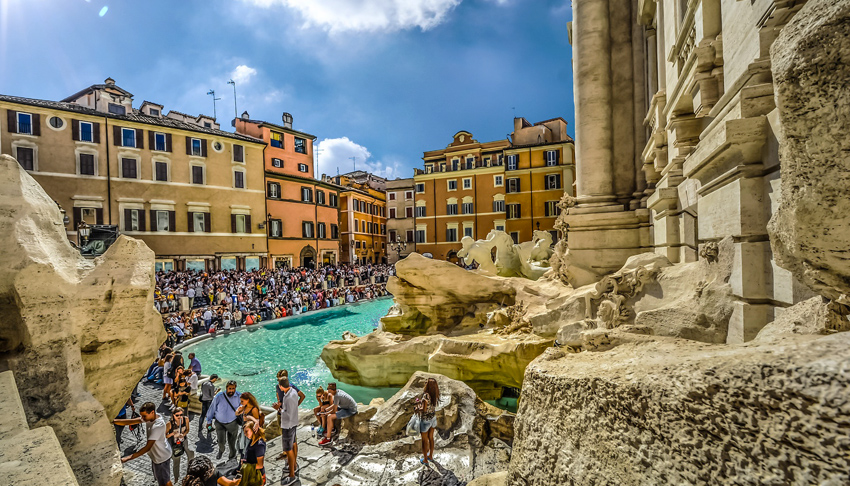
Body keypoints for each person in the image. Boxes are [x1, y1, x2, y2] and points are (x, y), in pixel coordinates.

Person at [114, 401, 173, 486]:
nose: (142, 418)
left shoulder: (158, 426)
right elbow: (131, 422)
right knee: (163, 479)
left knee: (164, 482)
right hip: (157, 456)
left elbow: (147, 447)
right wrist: (114, 421)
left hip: (161, 458)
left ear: (152, 412)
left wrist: (127, 458)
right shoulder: (151, 417)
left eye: (144, 416)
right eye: (141, 415)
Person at [273, 374, 299, 484]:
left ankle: (292, 475)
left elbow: (287, 414)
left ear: (281, 386)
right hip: (294, 423)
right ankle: (294, 466)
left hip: (287, 425)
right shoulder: (293, 391)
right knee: (293, 444)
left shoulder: (287, 398)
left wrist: (278, 408)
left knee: (288, 450)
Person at [206, 380, 242, 460]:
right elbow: (212, 409)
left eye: (233, 389)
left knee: (232, 443)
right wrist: (209, 422)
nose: (231, 390)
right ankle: (221, 450)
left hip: (233, 423)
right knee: (221, 441)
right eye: (230, 388)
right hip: (220, 423)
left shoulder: (239, 396)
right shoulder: (219, 396)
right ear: (226, 388)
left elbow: (243, 407)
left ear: (235, 388)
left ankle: (232, 457)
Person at [167, 407, 196, 482]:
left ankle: (190, 473)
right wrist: (172, 434)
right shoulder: (169, 424)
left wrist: (183, 434)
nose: (179, 417)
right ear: (173, 415)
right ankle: (176, 477)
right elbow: (164, 436)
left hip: (183, 439)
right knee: (176, 460)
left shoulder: (185, 419)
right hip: (174, 443)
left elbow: (187, 430)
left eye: (181, 415)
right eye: (177, 415)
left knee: (191, 452)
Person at [415, 378, 439, 464]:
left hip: (425, 421)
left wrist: (417, 407)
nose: (425, 382)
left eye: (426, 382)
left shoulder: (425, 395)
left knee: (424, 440)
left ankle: (425, 460)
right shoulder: (435, 394)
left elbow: (424, 410)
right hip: (433, 419)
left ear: (428, 385)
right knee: (431, 438)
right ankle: (430, 456)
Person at [235, 392, 263, 458]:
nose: (241, 403)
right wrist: (237, 410)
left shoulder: (254, 409)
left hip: (250, 430)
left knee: (247, 446)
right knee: (241, 445)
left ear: (248, 400)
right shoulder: (244, 407)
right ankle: (242, 459)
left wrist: (249, 419)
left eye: (242, 401)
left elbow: (257, 420)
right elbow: (237, 414)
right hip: (243, 428)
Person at [239, 417, 266, 486]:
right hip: (251, 474)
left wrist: (245, 466)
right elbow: (246, 417)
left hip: (256, 476)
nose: (245, 434)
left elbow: (260, 465)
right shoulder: (252, 440)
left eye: (246, 431)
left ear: (253, 429)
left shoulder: (259, 445)